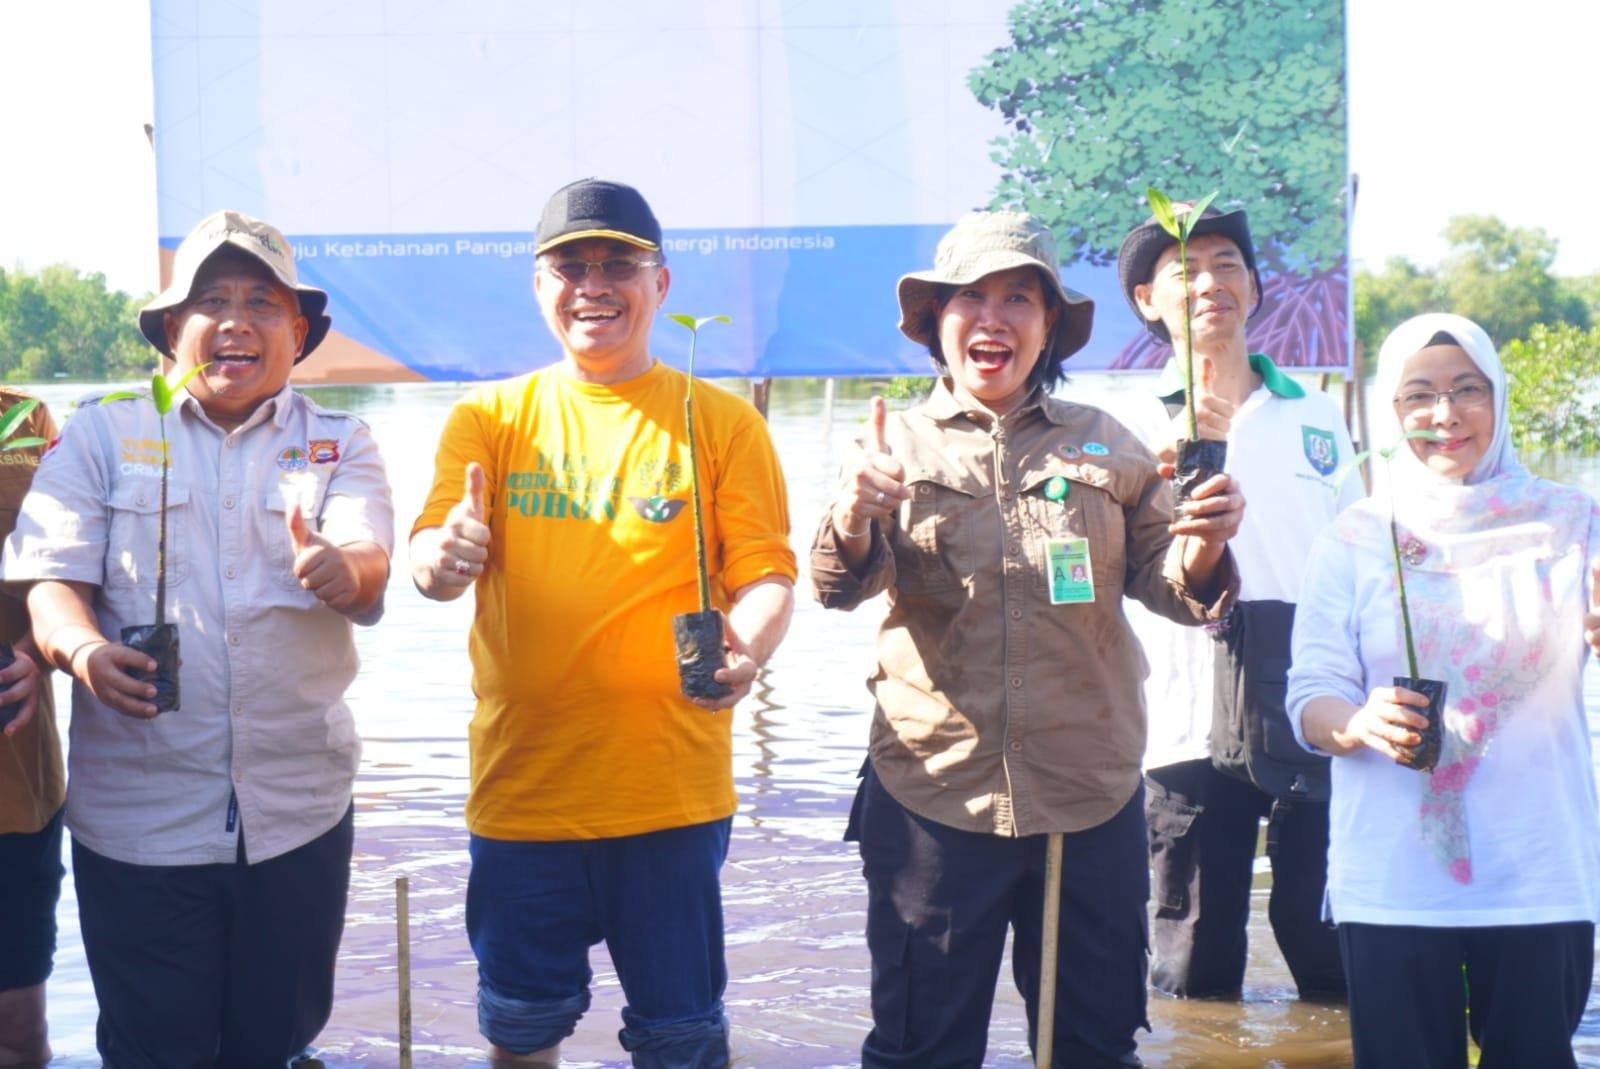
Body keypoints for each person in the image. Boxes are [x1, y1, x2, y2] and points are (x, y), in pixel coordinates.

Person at [811, 210, 1246, 1068]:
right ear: (937, 322)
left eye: (1020, 297)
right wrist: (856, 514)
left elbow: (1170, 588)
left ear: (1049, 325)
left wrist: (1205, 543)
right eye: (971, 297)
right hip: (935, 795)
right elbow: (837, 584)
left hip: (1087, 796)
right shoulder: (889, 444)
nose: (994, 317)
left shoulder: (1108, 445)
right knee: (919, 1049)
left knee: (1091, 1045)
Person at [409, 177, 797, 1068]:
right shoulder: (489, 418)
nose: (592, 284)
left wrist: (749, 642)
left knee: (681, 1038)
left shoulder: (722, 421)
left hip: (668, 794)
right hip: (523, 792)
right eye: (569, 265)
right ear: (537, 285)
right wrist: (445, 554)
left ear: (660, 284)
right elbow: (432, 554)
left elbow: (768, 574)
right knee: (520, 1028)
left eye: (617, 264)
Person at [2, 210, 394, 1067]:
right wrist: (81, 651)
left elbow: (370, 564)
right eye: (210, 300)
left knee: (275, 1044)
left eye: (261, 301)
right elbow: (51, 581)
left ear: (299, 331)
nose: (235, 321)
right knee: (153, 1049)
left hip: (296, 815)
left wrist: (341, 568)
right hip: (139, 824)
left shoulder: (340, 441)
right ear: (172, 331)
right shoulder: (104, 433)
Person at [1286, 312, 1600, 1067]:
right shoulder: (1358, 534)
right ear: (1389, 417)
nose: (1444, 414)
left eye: (1468, 390)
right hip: (1393, 878)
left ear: (1498, 401)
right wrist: (1359, 723)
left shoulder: (1573, 521)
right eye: (1417, 395)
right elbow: (1310, 696)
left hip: (1539, 870)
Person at [1111, 203, 1355, 999]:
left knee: (1327, 943)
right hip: (1179, 717)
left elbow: (1362, 565)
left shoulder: (1317, 416)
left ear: (1253, 288)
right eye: (1185, 270)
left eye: (1227, 265)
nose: (1210, 282)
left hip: (1312, 707)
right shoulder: (1121, 425)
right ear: (1147, 300)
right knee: (1193, 957)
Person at [0, 390, 61, 1068]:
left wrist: (45, 651)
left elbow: (78, 564)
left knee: (15, 1032)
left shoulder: (26, 422)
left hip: (14, 789)